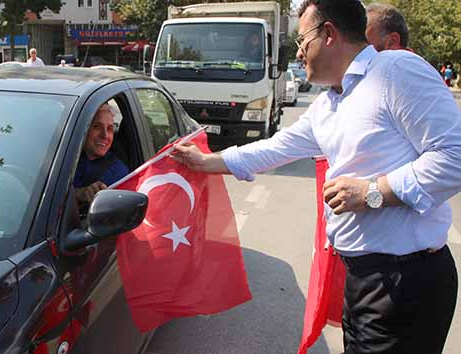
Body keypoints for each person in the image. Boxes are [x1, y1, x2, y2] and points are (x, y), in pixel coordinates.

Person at [173, 0, 460, 353]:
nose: (298, 54)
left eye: (301, 41)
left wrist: (374, 191)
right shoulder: (328, 105)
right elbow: (273, 149)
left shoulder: (395, 71)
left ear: (328, 34)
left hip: (405, 282)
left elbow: (454, 157)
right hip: (362, 279)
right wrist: (204, 162)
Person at [74, 103, 129, 206]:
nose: (105, 135)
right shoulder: (61, 157)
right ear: (83, 129)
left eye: (109, 129)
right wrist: (78, 193)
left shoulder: (118, 172)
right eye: (97, 127)